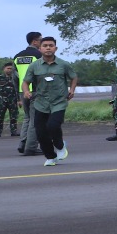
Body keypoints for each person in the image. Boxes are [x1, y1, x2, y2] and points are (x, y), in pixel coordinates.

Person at [21, 36, 77, 166]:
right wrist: (26, 92)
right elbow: (25, 82)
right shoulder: (34, 66)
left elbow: (73, 77)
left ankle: (60, 145)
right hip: (40, 102)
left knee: (52, 126)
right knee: (40, 132)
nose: (48, 48)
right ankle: (51, 157)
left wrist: (72, 90)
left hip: (59, 102)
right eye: (45, 45)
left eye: (51, 45)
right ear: (40, 48)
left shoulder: (63, 64)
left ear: (55, 48)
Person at [13, 32, 44, 156]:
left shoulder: (17, 56)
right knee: (35, 120)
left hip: (22, 91)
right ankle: (31, 147)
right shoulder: (39, 55)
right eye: (41, 40)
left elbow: (15, 78)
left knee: (27, 118)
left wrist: (18, 96)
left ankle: (23, 143)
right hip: (35, 91)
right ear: (35, 41)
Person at [0, 63, 22, 137]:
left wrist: (19, 100)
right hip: (2, 101)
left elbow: (18, 89)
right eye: (8, 68)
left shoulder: (16, 78)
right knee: (0, 116)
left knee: (14, 117)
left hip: (13, 100)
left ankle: (13, 131)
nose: (9, 70)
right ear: (4, 69)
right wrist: (0, 95)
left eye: (11, 68)